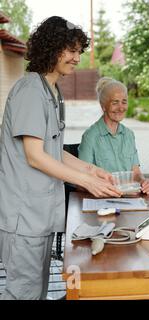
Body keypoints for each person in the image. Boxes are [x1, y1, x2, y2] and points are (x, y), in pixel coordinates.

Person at [0, 16, 122, 300]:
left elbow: (56, 152)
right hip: (24, 218)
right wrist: (85, 182)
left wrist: (94, 171)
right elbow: (35, 156)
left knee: (36, 293)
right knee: (24, 294)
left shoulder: (51, 91)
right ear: (51, 48)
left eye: (79, 50)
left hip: (38, 216)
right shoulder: (30, 90)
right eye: (70, 49)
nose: (77, 57)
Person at [78, 77, 149, 194]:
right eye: (115, 102)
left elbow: (136, 173)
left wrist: (143, 181)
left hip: (129, 199)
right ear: (103, 106)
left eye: (124, 101)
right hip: (104, 200)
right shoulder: (90, 137)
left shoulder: (129, 135)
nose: (121, 107)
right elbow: (81, 181)